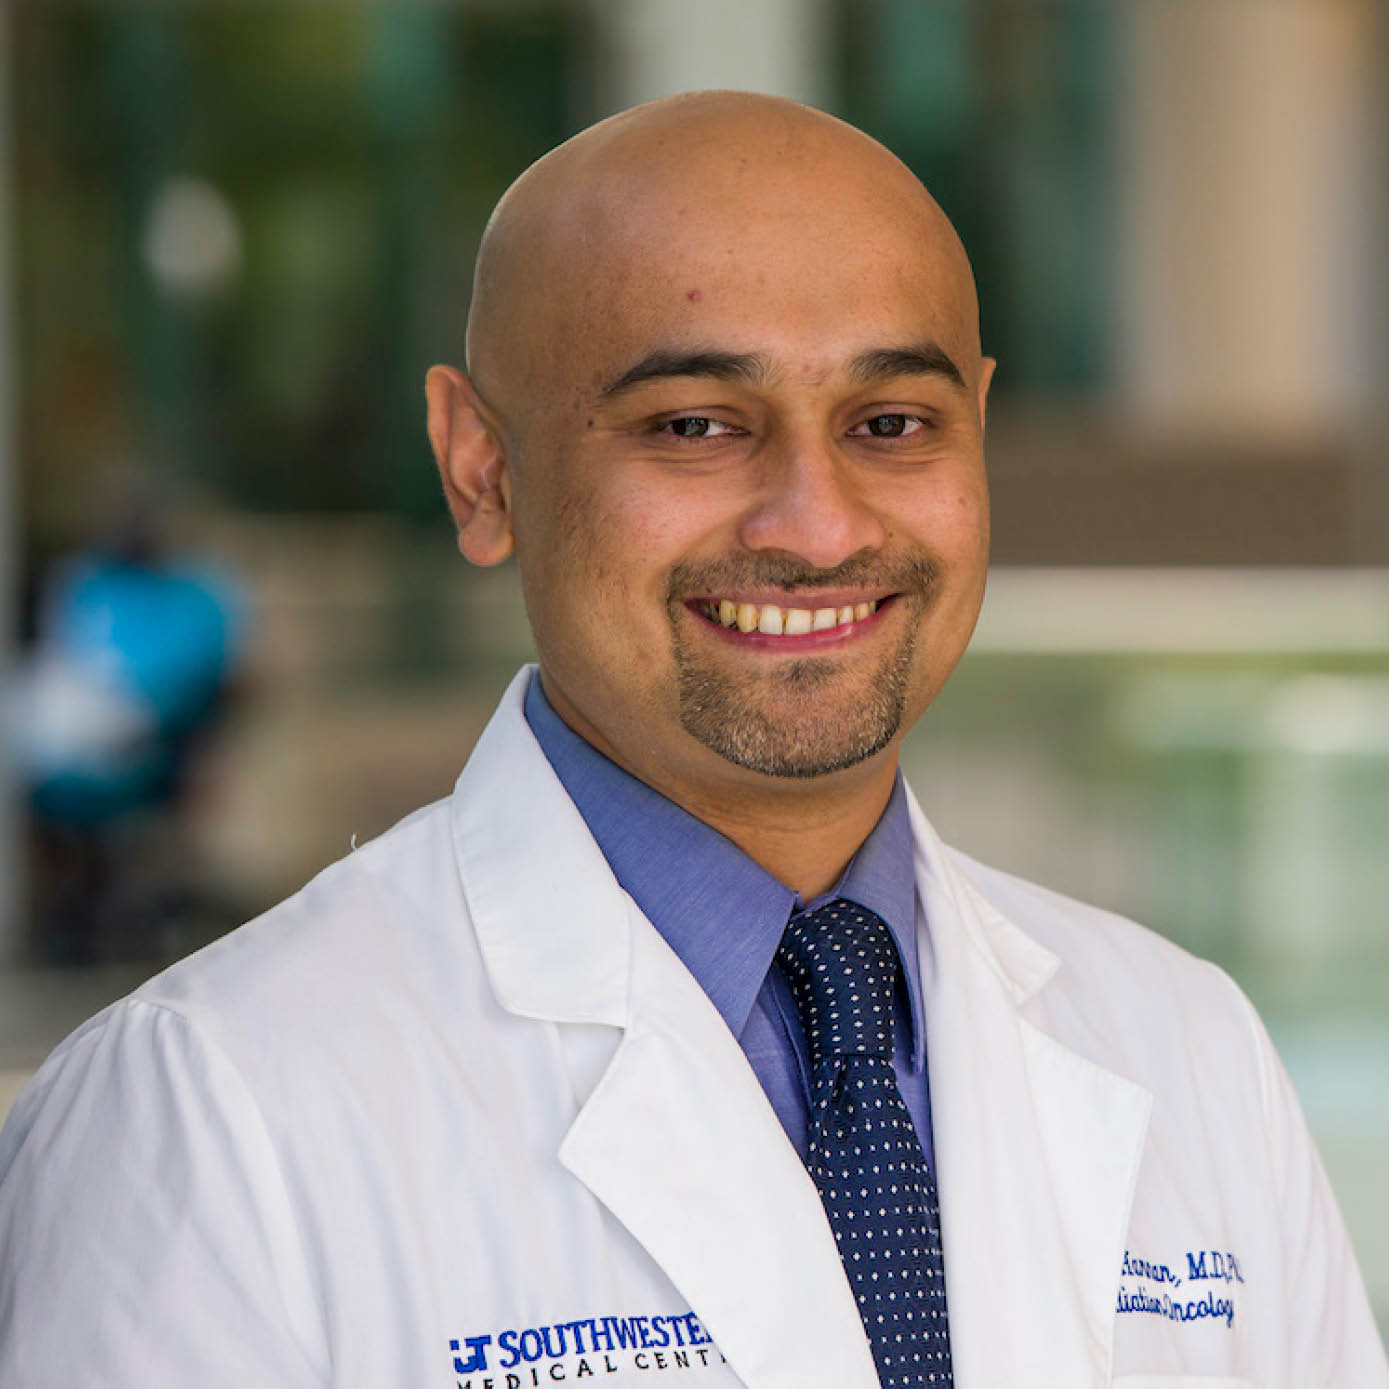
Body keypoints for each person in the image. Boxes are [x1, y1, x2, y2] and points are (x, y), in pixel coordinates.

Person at [0, 91, 1384, 1388]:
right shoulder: (210, 1108)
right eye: (696, 425)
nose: (819, 527)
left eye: (891, 422)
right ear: (481, 468)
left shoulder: (1186, 1044)